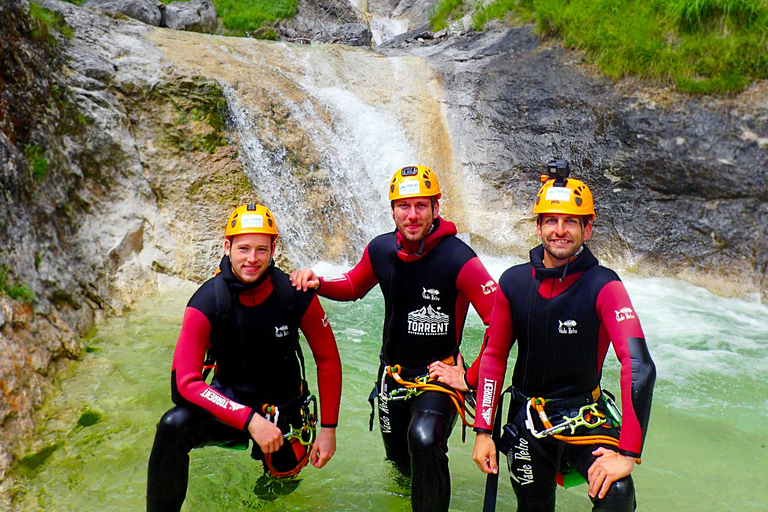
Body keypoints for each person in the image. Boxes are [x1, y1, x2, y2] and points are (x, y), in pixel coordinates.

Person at [290, 165, 498, 512]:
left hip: (437, 377)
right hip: (391, 378)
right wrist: (318, 283)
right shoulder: (381, 250)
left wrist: (469, 376)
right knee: (402, 468)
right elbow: (355, 286)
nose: (412, 215)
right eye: (404, 206)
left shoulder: (459, 259)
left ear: (436, 207)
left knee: (425, 439)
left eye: (421, 206)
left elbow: (500, 322)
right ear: (392, 210)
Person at [471, 159, 656, 512]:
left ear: (587, 230)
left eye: (571, 222)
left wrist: (628, 453)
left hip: (585, 417)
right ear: (538, 227)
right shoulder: (512, 283)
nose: (560, 230)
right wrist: (483, 431)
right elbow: (494, 357)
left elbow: (639, 366)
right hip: (527, 420)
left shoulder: (604, 285)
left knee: (618, 492)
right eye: (551, 221)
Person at [147, 204, 342, 512]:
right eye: (244, 249)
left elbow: (328, 358)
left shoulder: (294, 293)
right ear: (227, 247)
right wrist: (248, 420)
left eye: (261, 250)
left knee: (275, 494)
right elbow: (184, 383)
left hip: (284, 414)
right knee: (172, 426)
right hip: (232, 406)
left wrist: (329, 429)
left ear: (273, 249)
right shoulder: (206, 301)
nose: (252, 259)